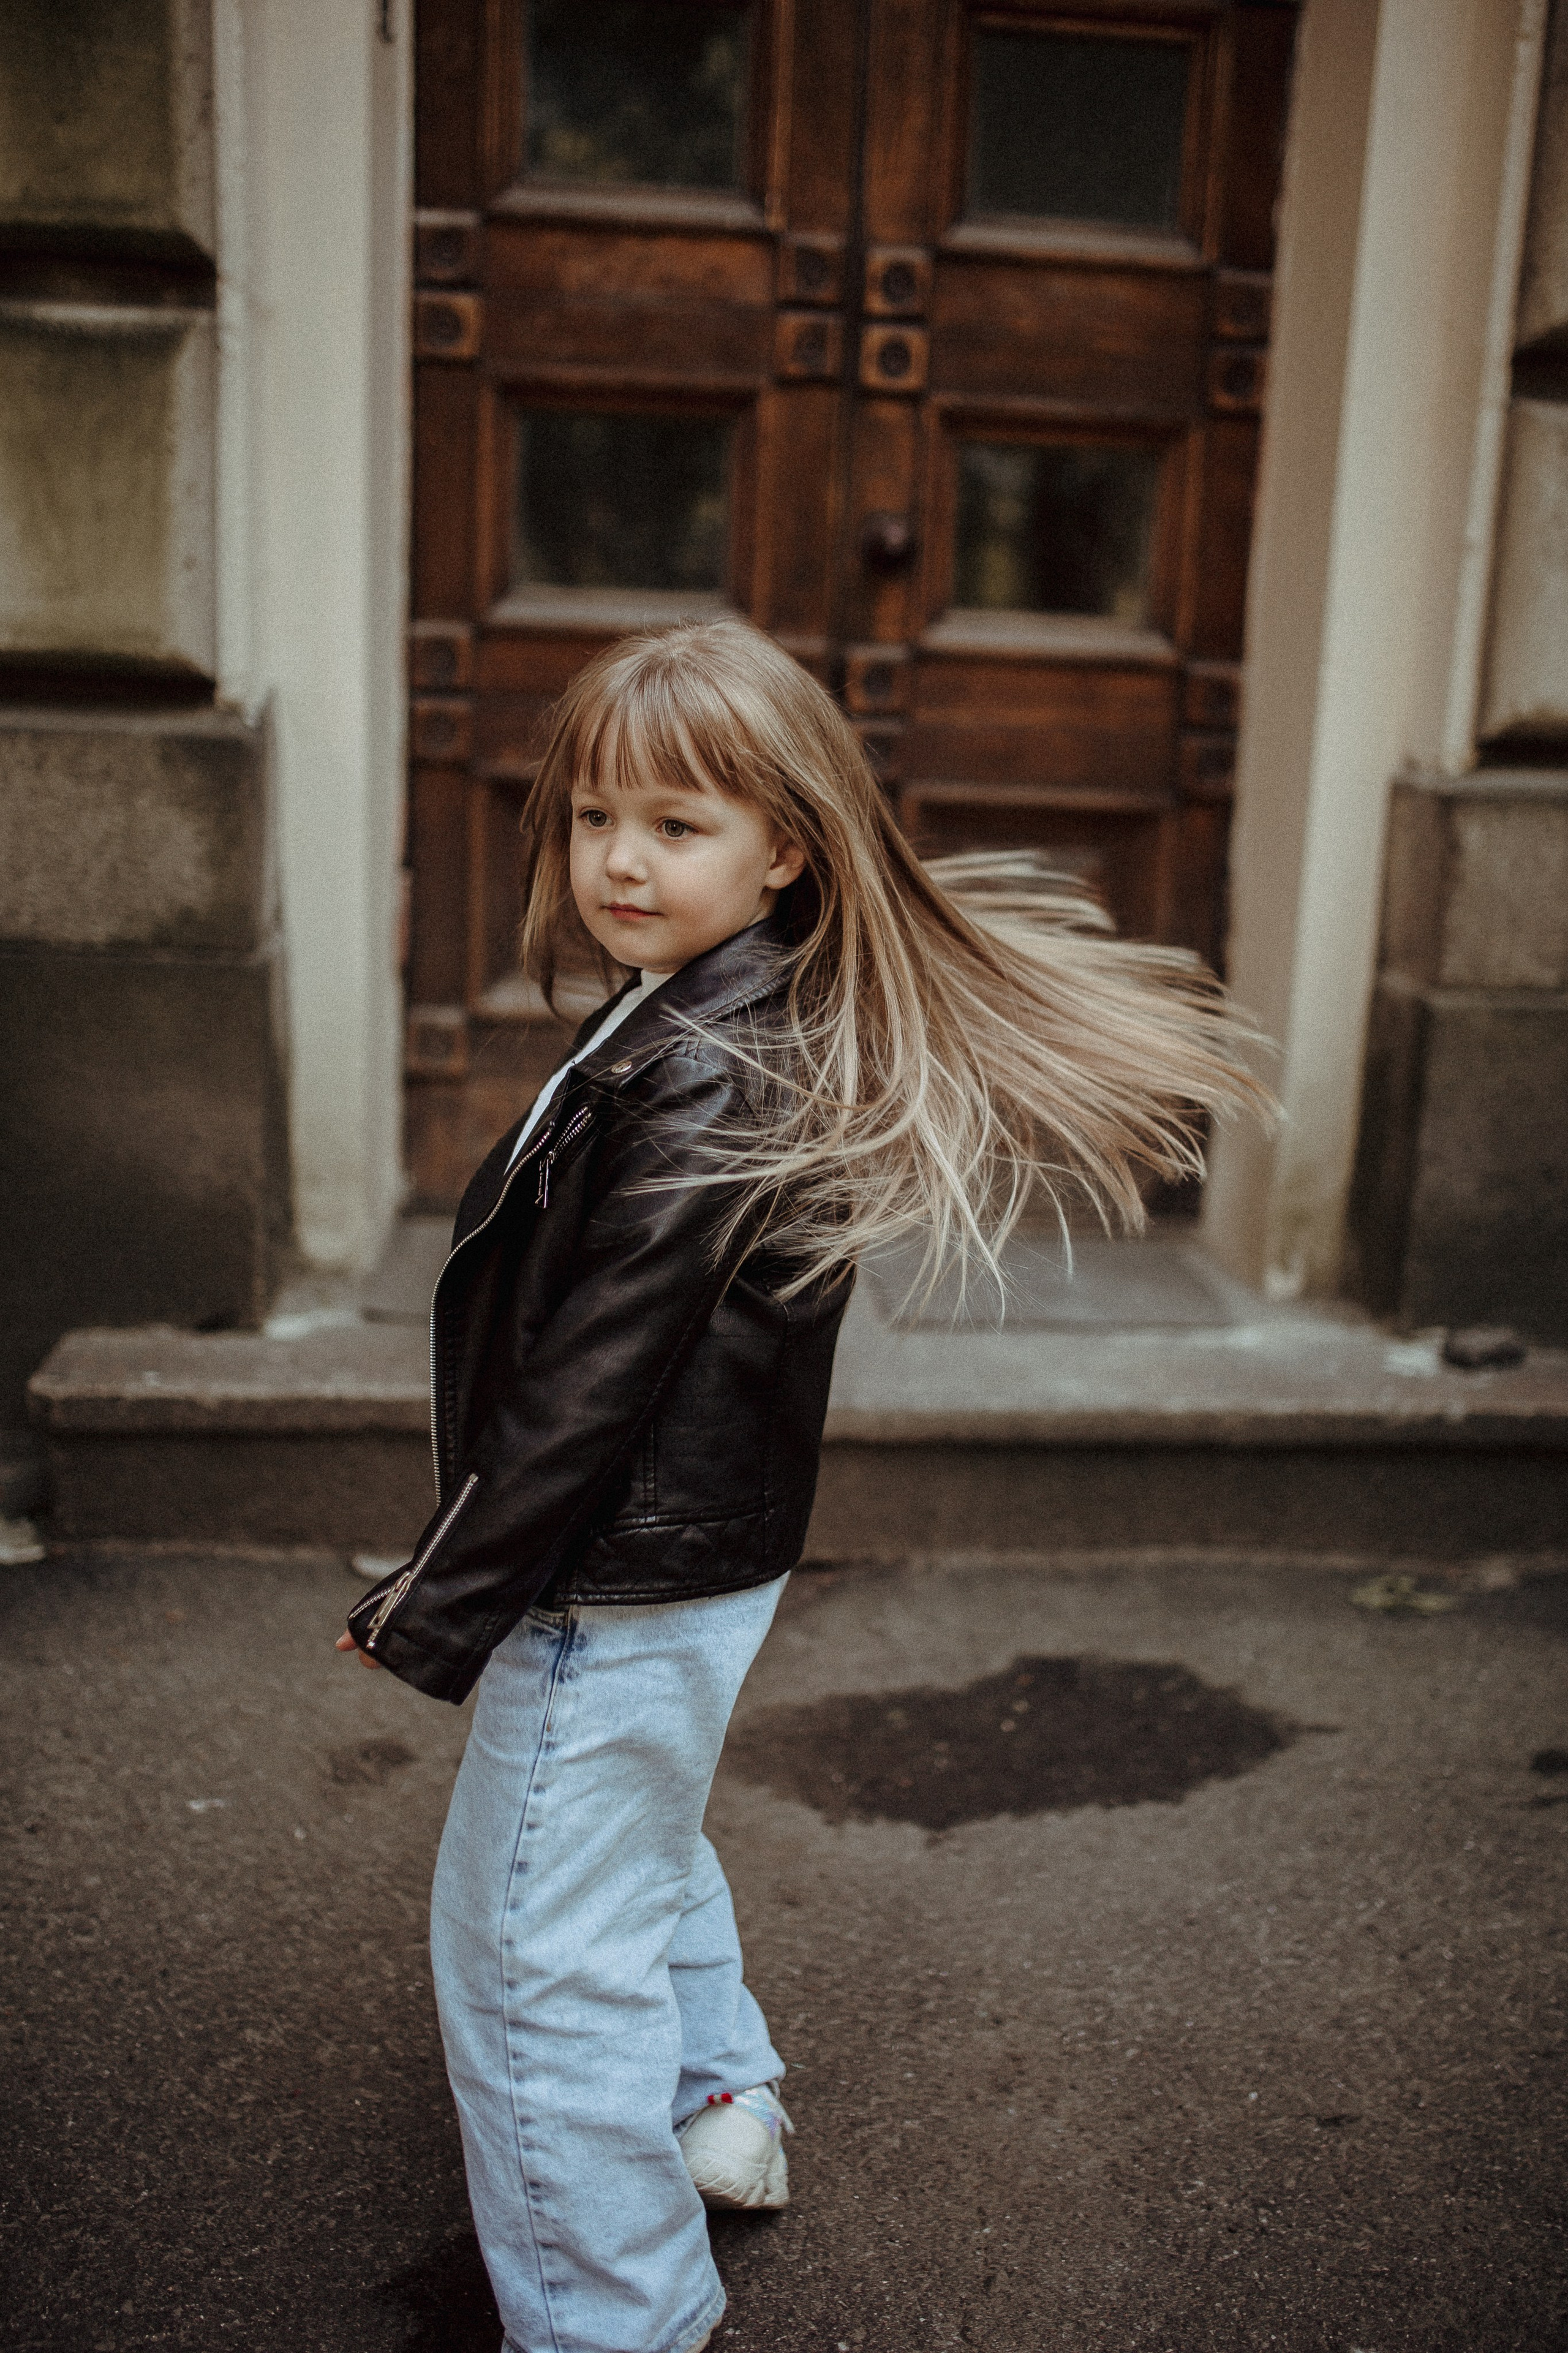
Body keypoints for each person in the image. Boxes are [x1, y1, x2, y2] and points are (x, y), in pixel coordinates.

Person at [336, 617, 1266, 2353]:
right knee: (635, 1837)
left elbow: (594, 1384)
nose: (620, 855)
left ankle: (618, 2318)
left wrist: (439, 1595)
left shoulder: (708, 1059)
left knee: (530, 1947)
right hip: (692, 1557)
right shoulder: (714, 1005)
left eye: (676, 824)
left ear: (785, 850)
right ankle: (720, 2104)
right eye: (596, 814)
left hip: (615, 1563)